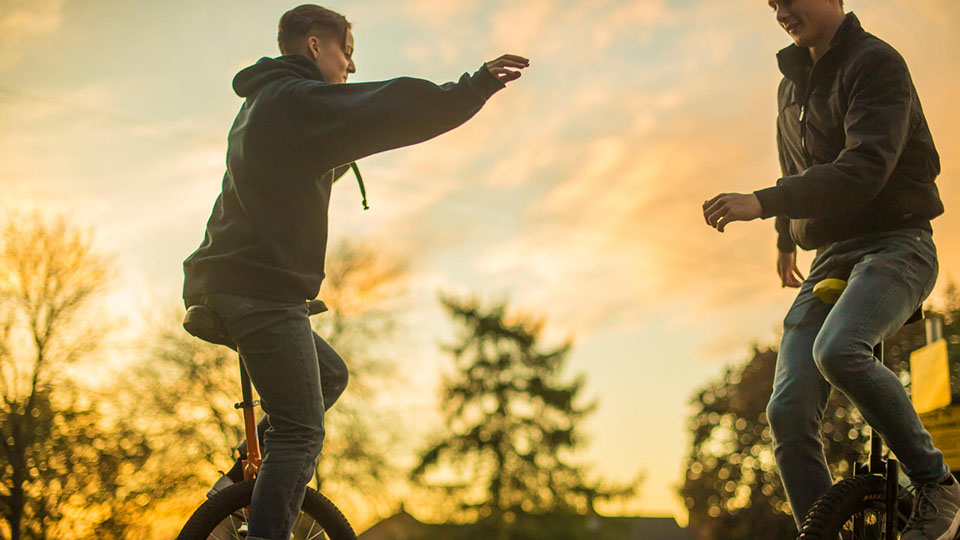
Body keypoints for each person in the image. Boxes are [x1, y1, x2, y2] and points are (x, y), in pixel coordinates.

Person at [181, 5, 528, 539]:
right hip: (258, 290)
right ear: (315, 47)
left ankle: (234, 493)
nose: (350, 69)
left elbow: (292, 172)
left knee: (329, 376)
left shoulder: (265, 106)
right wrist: (471, 88)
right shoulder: (294, 100)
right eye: (346, 54)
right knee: (300, 432)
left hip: (231, 282)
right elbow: (384, 105)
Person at [702, 1, 956, 538]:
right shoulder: (790, 87)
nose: (780, 12)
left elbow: (864, 169)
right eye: (772, 4)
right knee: (787, 413)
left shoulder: (876, 63)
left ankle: (937, 485)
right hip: (830, 257)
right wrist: (783, 241)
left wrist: (764, 202)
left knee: (838, 349)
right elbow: (795, 167)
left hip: (897, 245)